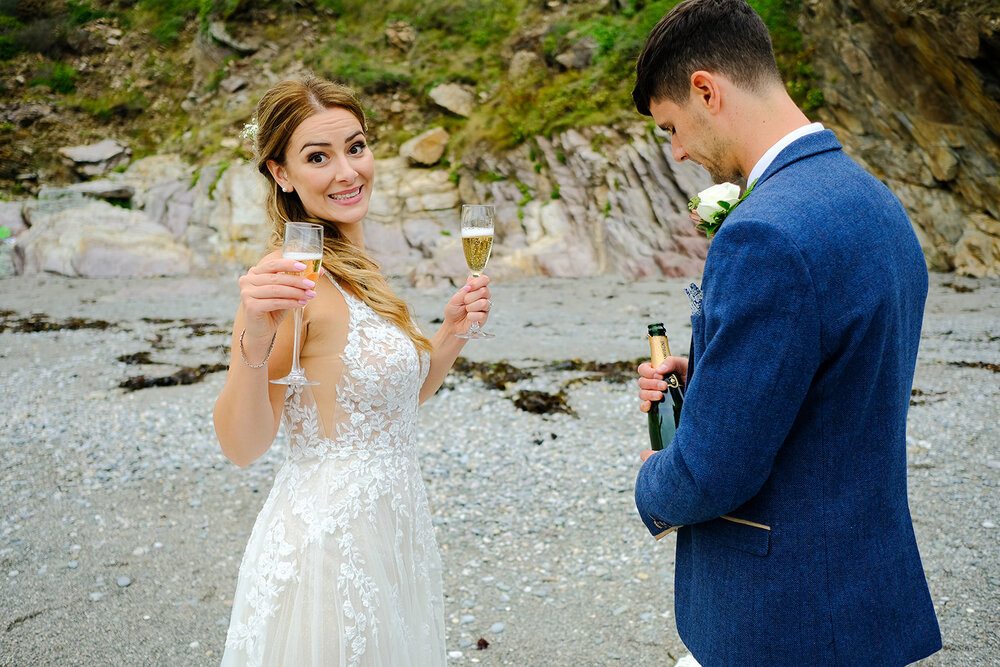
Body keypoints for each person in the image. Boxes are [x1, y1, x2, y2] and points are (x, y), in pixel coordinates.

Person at [630, 1, 941, 664]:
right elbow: (838, 380)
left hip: (785, 614)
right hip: (863, 594)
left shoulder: (761, 232)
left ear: (707, 90)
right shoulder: (875, 201)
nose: (679, 151)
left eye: (673, 127)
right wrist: (712, 377)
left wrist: (652, 478)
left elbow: (715, 470)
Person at [213, 77, 492, 666]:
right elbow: (242, 445)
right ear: (281, 172)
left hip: (390, 532)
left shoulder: (357, 266)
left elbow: (388, 406)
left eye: (356, 147)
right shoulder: (292, 278)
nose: (347, 171)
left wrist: (450, 334)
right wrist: (253, 332)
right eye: (319, 157)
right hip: (329, 550)